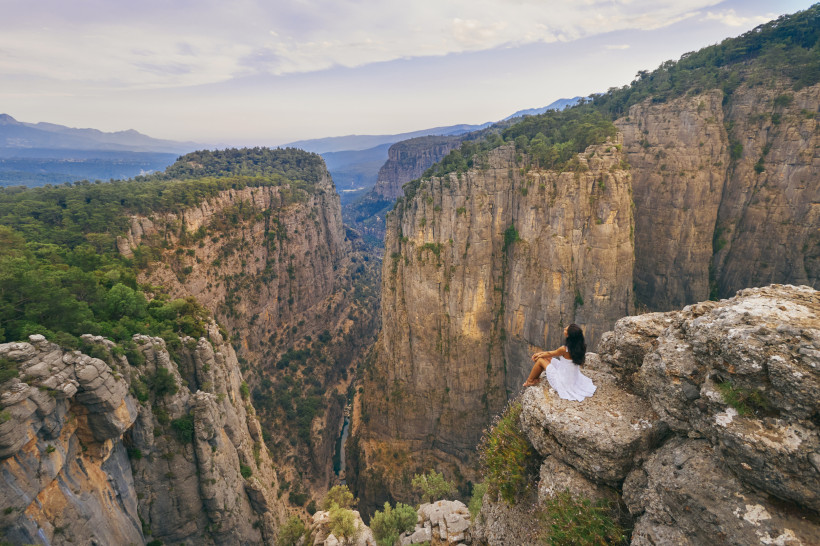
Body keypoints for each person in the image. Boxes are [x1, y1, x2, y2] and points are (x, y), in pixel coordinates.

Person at [522, 323, 596, 401]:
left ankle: (530, 381)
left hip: (562, 381)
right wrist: (540, 354)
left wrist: (538, 355)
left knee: (540, 360)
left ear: (569, 335)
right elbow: (550, 354)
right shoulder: (581, 346)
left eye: (566, 330)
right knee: (547, 358)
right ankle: (534, 379)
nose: (564, 329)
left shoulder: (564, 349)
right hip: (570, 375)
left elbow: (550, 353)